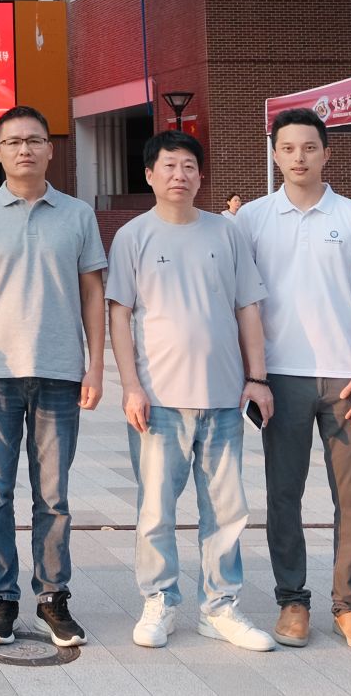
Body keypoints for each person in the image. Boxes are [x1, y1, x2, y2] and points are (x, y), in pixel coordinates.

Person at [106, 130, 276, 653]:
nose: (179, 175)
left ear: (201, 176)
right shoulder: (133, 236)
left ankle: (219, 607)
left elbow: (248, 307)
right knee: (156, 510)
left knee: (225, 511)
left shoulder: (226, 232)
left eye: (188, 166)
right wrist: (130, 386)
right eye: (169, 166)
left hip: (223, 398)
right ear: (149, 175)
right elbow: (119, 314)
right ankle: (158, 600)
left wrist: (258, 378)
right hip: (158, 401)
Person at [0, 106, 105, 649]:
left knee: (54, 496)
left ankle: (52, 596)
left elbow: (92, 291)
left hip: (60, 371)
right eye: (13, 142)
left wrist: (95, 364)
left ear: (50, 149)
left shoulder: (77, 214)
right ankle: (2, 598)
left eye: (34, 140)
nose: (24, 149)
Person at [234, 109, 351, 654]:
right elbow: (242, 302)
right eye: (288, 148)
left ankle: (349, 606)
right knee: (284, 493)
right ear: (275, 154)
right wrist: (252, 376)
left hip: (348, 379)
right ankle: (292, 600)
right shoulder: (251, 219)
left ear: (327, 153)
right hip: (281, 376)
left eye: (309, 147)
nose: (299, 157)